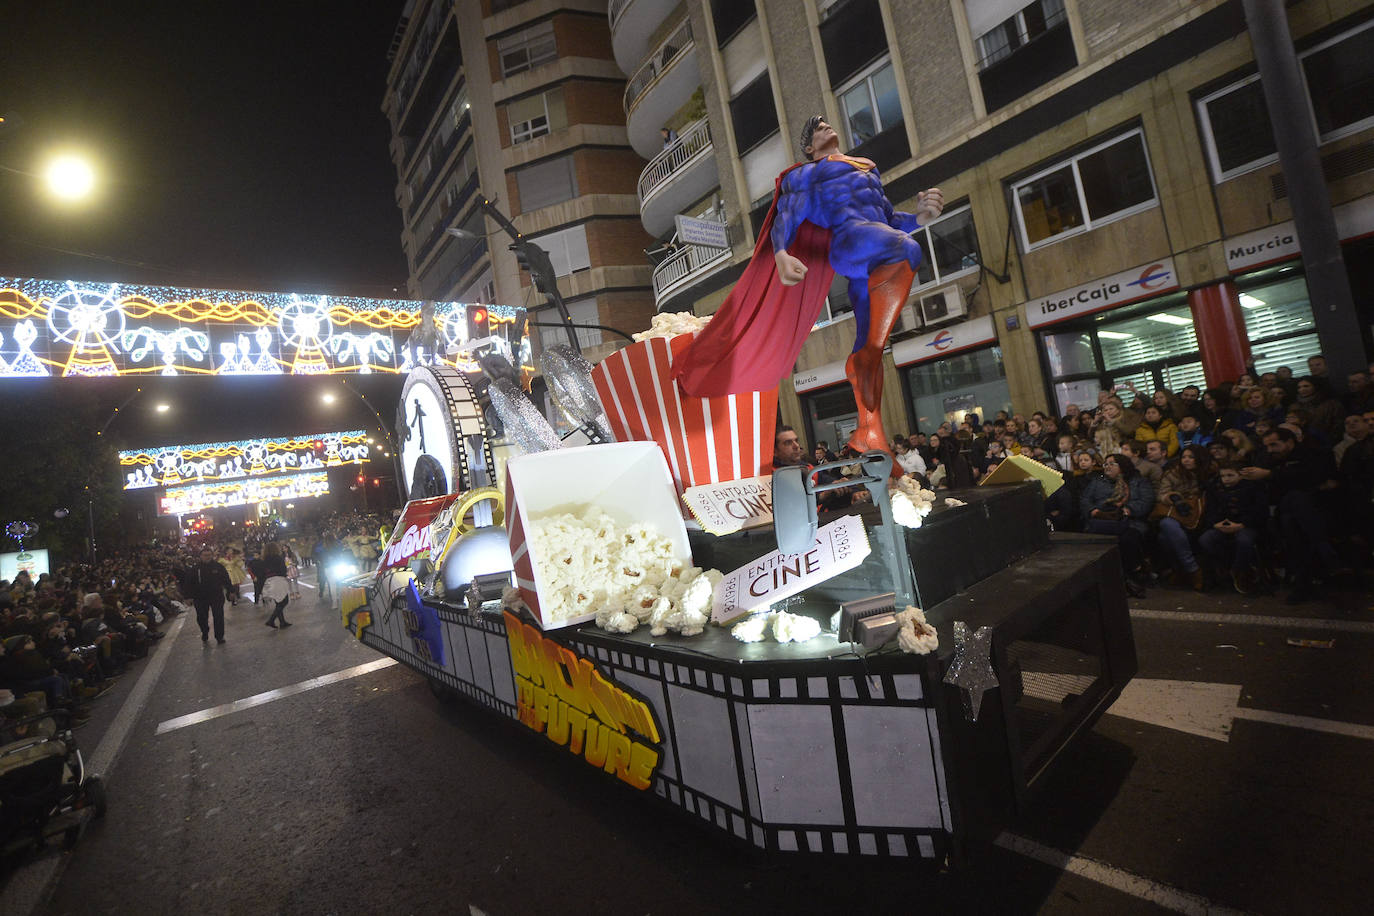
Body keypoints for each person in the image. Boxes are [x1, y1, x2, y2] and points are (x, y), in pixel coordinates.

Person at [672, 115, 943, 463]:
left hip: (872, 246)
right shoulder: (809, 174)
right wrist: (782, 253)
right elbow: (788, 212)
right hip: (849, 243)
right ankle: (867, 364)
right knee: (907, 249)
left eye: (828, 124)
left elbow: (888, 220)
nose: (827, 128)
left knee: (870, 348)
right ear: (809, 147)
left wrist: (919, 217)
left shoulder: (868, 169)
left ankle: (868, 430)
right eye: (817, 130)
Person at [1241, 428, 1339, 603]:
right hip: (1284, 510)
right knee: (1292, 507)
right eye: (1267, 446)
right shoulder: (1268, 458)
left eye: (1274, 445)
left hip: (1317, 509)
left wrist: (1270, 475)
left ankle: (1304, 583)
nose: (1270, 449)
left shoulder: (1314, 454)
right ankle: (1321, 546)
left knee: (1295, 510)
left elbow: (1313, 477)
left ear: (1290, 442)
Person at [1081, 453, 1155, 595]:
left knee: (1128, 539)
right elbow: (1085, 499)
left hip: (1130, 522)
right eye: (1105, 464)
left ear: (1122, 466)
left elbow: (1146, 501)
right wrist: (1094, 511)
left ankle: (1132, 574)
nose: (1107, 467)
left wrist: (1127, 510)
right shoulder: (1097, 482)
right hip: (1101, 521)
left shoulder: (1138, 481)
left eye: (1112, 464)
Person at [1200, 461, 1269, 594]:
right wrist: (1215, 524)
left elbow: (1260, 512)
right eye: (1223, 476)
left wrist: (1241, 525)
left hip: (1246, 525)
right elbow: (1210, 511)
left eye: (1230, 475)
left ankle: (1239, 571)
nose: (1226, 479)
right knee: (1206, 539)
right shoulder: (1214, 489)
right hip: (1222, 525)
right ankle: (1223, 568)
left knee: (1245, 540)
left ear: (1240, 476)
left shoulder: (1253, 488)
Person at [1152, 445, 1211, 590]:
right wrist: (1174, 498)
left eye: (1190, 457)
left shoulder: (1209, 473)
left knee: (1164, 537)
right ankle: (1192, 569)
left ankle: (1180, 571)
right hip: (1176, 512)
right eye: (1184, 457)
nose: (1186, 460)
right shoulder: (1173, 473)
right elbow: (1162, 494)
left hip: (1202, 513)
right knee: (1166, 525)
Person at [184, 548, 232, 644]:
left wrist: (231, 591)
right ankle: (205, 631)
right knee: (201, 617)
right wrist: (188, 597)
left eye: (209, 555)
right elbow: (188, 583)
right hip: (200, 597)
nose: (207, 557)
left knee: (218, 616)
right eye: (205, 555)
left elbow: (226, 579)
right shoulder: (195, 569)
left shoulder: (218, 567)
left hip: (216, 596)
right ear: (201, 556)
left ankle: (219, 636)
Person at [260, 543, 292, 629]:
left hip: (269, 581)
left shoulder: (264, 559)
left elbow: (262, 572)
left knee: (278, 602)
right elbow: (283, 570)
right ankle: (271, 620)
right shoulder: (278, 558)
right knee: (284, 601)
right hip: (278, 580)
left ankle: (282, 622)